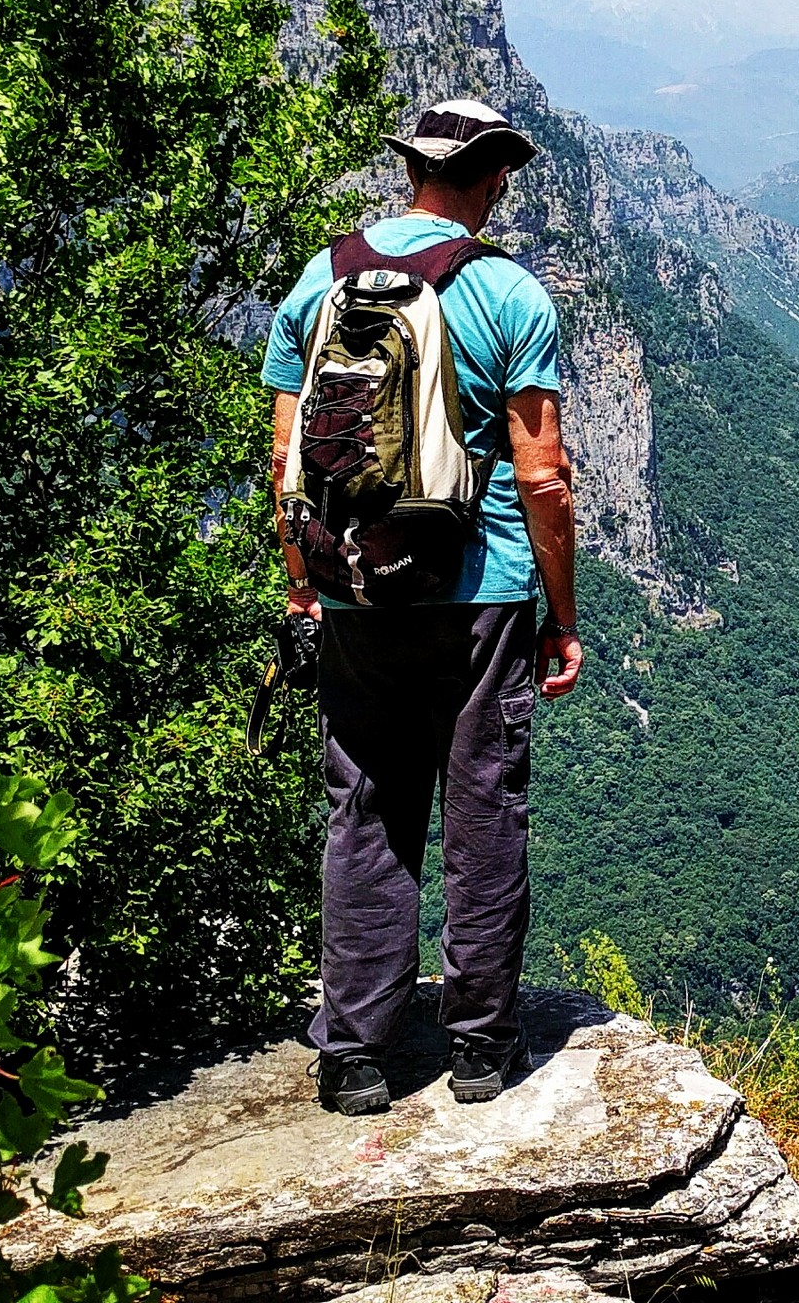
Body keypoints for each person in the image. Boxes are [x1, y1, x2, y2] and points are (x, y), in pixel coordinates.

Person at [261, 98, 584, 1116]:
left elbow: (284, 462)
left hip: (354, 589)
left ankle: (354, 1053)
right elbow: (545, 479)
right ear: (492, 179)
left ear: (412, 172)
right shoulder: (508, 293)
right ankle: (481, 1048)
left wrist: (304, 587)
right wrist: (559, 614)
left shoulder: (319, 281)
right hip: (478, 594)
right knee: (483, 811)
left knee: (365, 811)